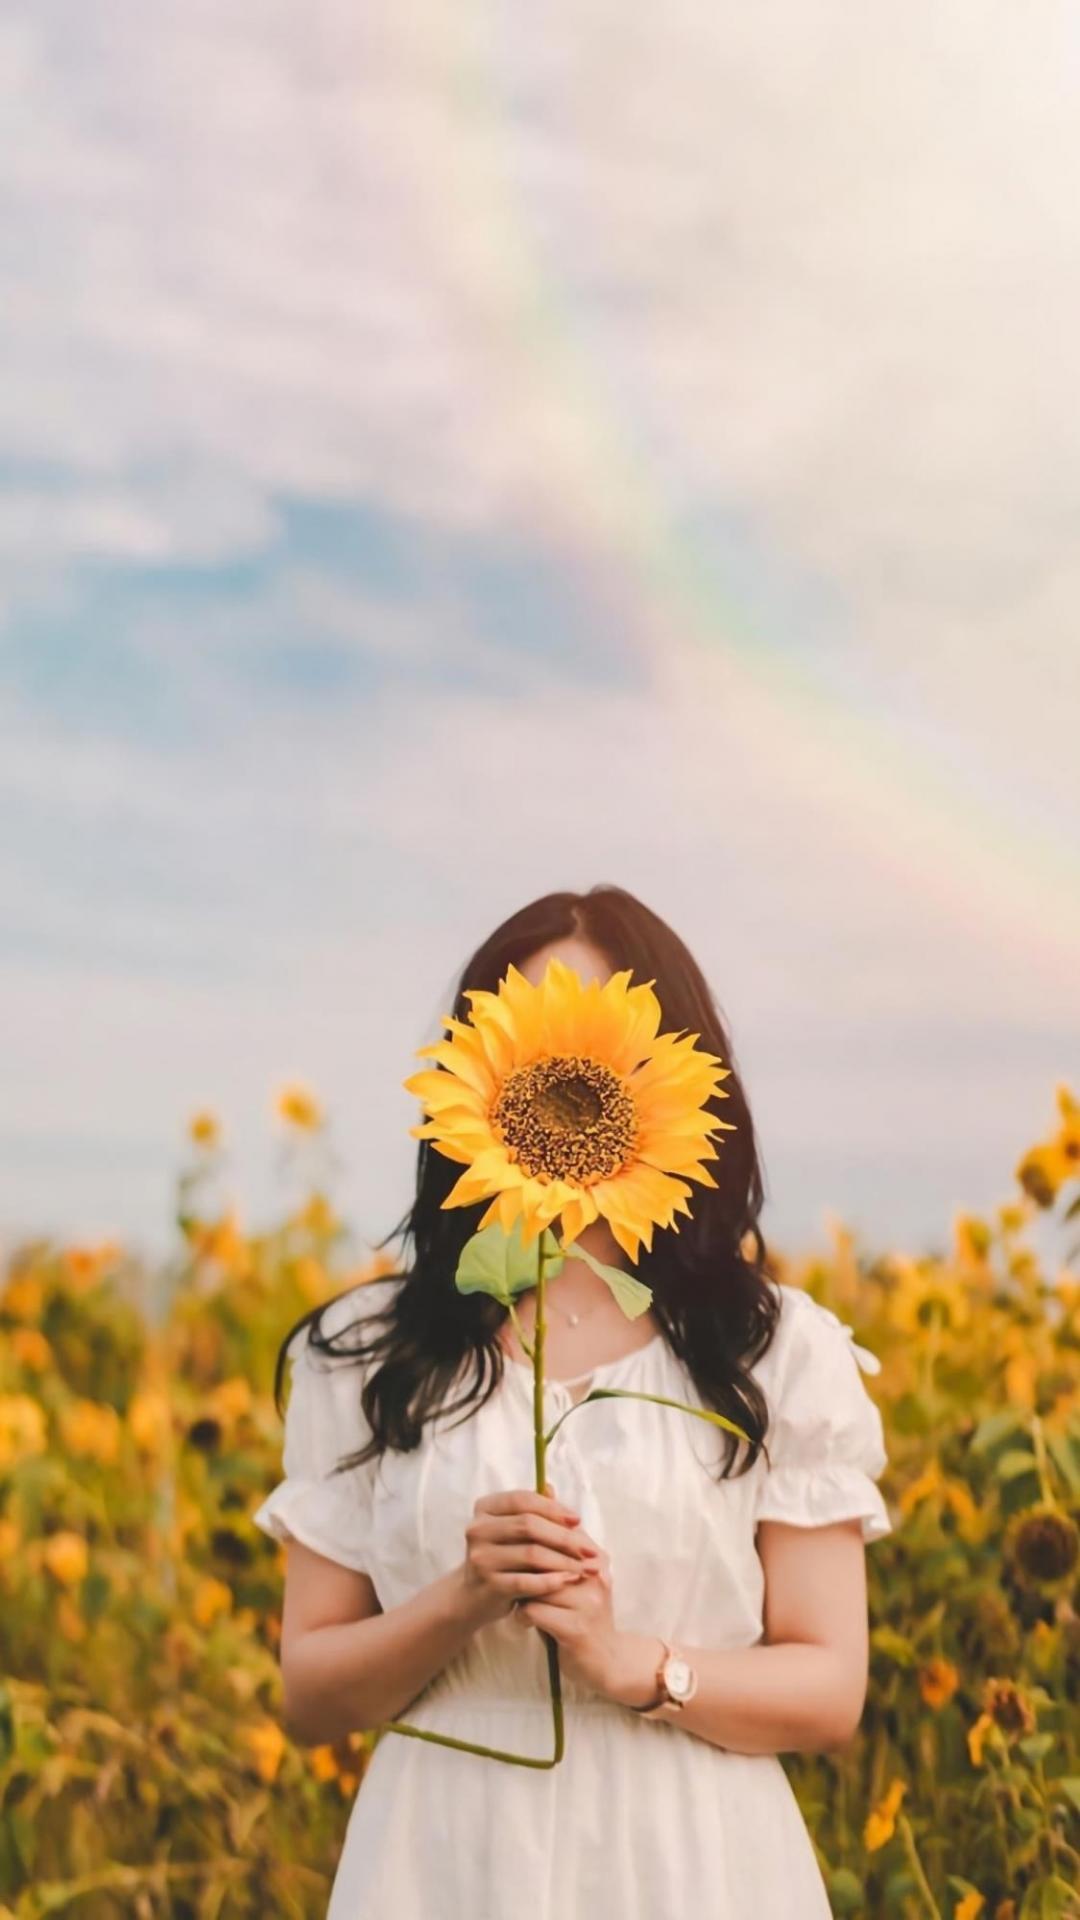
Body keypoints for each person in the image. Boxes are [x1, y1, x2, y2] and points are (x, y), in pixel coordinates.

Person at [253, 883, 893, 1917]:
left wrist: (632, 1662)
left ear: (673, 1075)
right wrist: (459, 1601)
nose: (572, 1077)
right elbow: (312, 1693)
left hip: (695, 1861)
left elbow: (829, 1692)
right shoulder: (368, 1355)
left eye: (607, 1048)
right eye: (532, 1042)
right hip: (442, 1862)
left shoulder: (770, 1349)